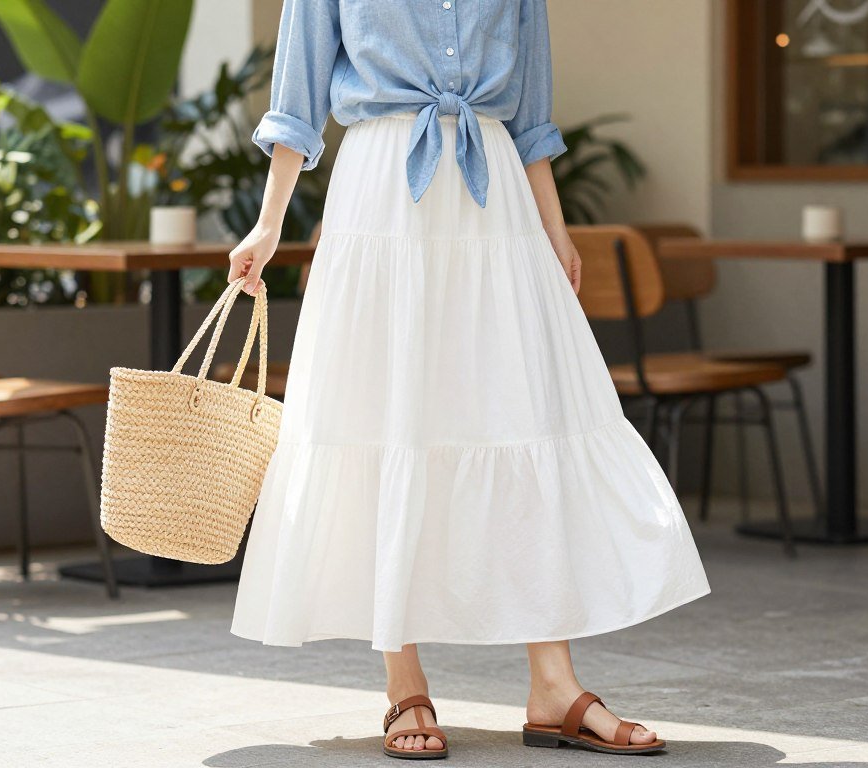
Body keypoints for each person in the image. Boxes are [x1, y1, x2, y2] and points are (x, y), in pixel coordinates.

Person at [228, 0, 709, 759]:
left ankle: (554, 685)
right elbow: (297, 99)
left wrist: (555, 231)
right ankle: (402, 681)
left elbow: (533, 116)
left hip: (497, 208)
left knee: (525, 417)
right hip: (383, 194)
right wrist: (269, 223)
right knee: (387, 421)